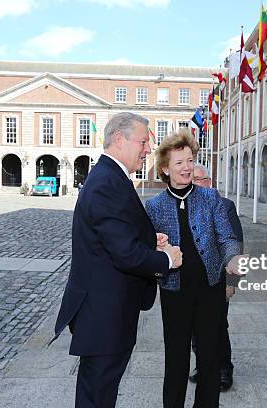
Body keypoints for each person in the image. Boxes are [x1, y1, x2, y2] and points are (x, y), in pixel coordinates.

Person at [50, 112, 183, 408]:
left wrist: (150, 241)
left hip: (109, 313)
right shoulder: (107, 182)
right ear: (120, 139)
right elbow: (124, 253)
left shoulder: (110, 177)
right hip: (104, 315)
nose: (148, 149)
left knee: (101, 392)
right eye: (144, 141)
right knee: (97, 396)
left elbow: (114, 236)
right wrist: (166, 259)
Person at [145, 130, 242, 408]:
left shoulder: (211, 198)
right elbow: (148, 249)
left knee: (209, 360)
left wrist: (232, 259)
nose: (187, 167)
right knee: (176, 360)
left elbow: (226, 238)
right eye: (179, 162)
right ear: (165, 168)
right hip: (174, 292)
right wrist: (156, 247)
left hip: (210, 290)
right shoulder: (154, 206)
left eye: (189, 160)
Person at [189, 164, 244, 392]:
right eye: (190, 179)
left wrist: (231, 283)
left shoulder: (225, 206)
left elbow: (236, 245)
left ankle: (223, 369)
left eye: (199, 179)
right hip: (190, 281)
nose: (193, 184)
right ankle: (203, 365)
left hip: (217, 280)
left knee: (217, 325)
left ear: (209, 182)